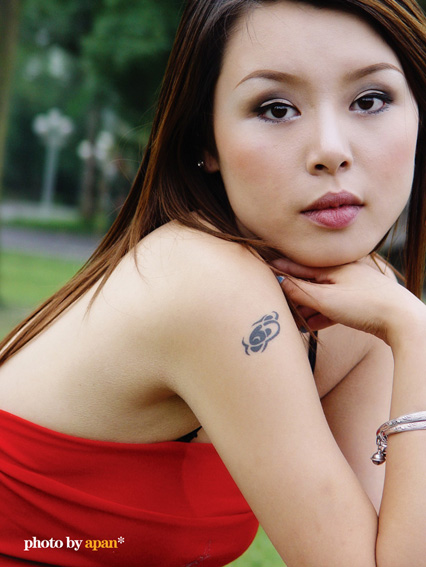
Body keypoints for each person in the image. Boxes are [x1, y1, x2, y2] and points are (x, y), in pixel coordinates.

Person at [1, 0, 426, 565]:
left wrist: (410, 329)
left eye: (370, 100)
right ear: (207, 142)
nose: (331, 150)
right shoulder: (208, 284)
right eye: (276, 109)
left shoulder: (369, 304)